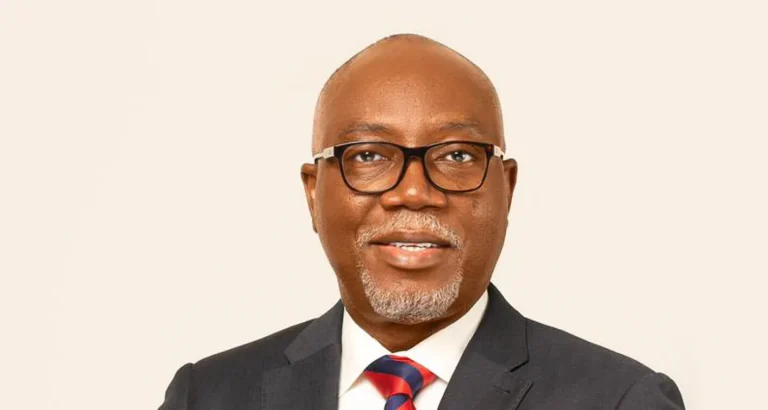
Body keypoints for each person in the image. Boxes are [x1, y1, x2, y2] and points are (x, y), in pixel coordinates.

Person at [158, 34, 685, 410]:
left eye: (457, 156)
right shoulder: (206, 396)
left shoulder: (620, 400)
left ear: (507, 189)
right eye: (368, 155)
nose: (414, 192)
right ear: (313, 193)